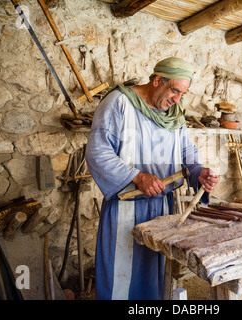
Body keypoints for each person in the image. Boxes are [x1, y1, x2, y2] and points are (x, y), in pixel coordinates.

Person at [85, 57, 219, 300]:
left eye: (182, 94)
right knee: (121, 279)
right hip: (126, 208)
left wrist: (199, 172)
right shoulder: (119, 103)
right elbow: (98, 152)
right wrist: (137, 177)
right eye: (174, 91)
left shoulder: (174, 113)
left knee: (153, 281)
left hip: (161, 210)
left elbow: (187, 152)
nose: (177, 99)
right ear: (157, 80)